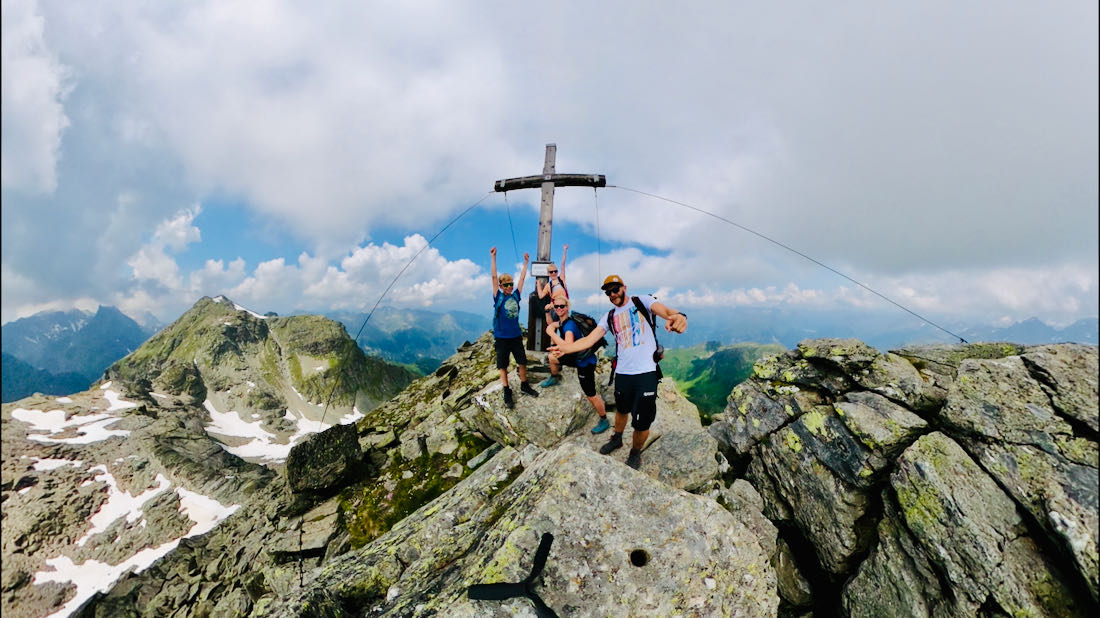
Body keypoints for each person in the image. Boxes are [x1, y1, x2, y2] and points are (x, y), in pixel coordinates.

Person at [548, 275, 687, 469]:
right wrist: (566, 349)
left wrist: (678, 316)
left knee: (642, 423)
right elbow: (589, 340)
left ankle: (635, 452)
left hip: (647, 373)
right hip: (622, 373)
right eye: (608, 291)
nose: (613, 294)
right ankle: (617, 438)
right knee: (622, 410)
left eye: (616, 289)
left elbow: (664, 310)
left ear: (624, 287)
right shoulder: (609, 316)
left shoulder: (642, 301)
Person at [541, 291, 611, 434]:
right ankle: (555, 377)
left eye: (562, 306)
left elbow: (568, 347)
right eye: (557, 307)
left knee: (591, 395)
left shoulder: (569, 327)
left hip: (584, 363)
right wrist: (551, 324)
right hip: (577, 357)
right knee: (552, 357)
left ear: (567, 307)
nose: (559, 309)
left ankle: (604, 419)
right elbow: (553, 324)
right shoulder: (564, 321)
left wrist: (552, 333)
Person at [490, 247, 539, 408]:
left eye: (511, 284)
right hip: (502, 337)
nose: (510, 286)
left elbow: (523, 279)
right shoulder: (498, 296)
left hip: (515, 336)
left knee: (522, 362)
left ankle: (524, 385)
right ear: (501, 286)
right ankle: (506, 390)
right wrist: (493, 258)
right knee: (502, 365)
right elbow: (493, 277)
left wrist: (525, 262)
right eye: (507, 285)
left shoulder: (516, 295)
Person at [536, 244, 569, 330]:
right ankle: (553, 341)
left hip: (564, 305)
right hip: (554, 306)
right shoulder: (548, 285)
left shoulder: (561, 279)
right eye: (551, 272)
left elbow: (563, 264)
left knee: (565, 326)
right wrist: (538, 285)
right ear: (548, 274)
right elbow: (541, 296)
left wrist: (564, 251)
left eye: (555, 271)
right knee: (552, 326)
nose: (554, 273)